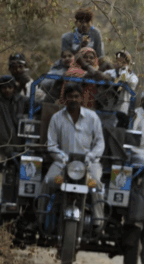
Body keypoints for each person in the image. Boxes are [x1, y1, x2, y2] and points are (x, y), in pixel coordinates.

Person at [43, 83, 105, 226]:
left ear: (81, 98)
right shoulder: (57, 118)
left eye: (76, 96)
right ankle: (41, 219)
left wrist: (91, 157)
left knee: (96, 185)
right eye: (70, 97)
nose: (73, 99)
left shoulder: (92, 117)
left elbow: (100, 143)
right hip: (62, 163)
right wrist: (62, 157)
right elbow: (51, 144)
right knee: (48, 181)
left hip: (89, 164)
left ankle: (98, 222)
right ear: (65, 99)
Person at [0, 75, 25, 160]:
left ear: (14, 88)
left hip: (21, 145)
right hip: (4, 146)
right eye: (4, 88)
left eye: (10, 87)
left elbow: (37, 104)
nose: (7, 90)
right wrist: (7, 147)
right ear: (0, 88)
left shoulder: (19, 99)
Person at [104, 50, 138, 122]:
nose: (119, 63)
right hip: (107, 109)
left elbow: (125, 80)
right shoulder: (109, 72)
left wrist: (124, 69)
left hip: (122, 110)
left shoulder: (133, 77)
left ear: (128, 64)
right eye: (118, 60)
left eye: (124, 62)